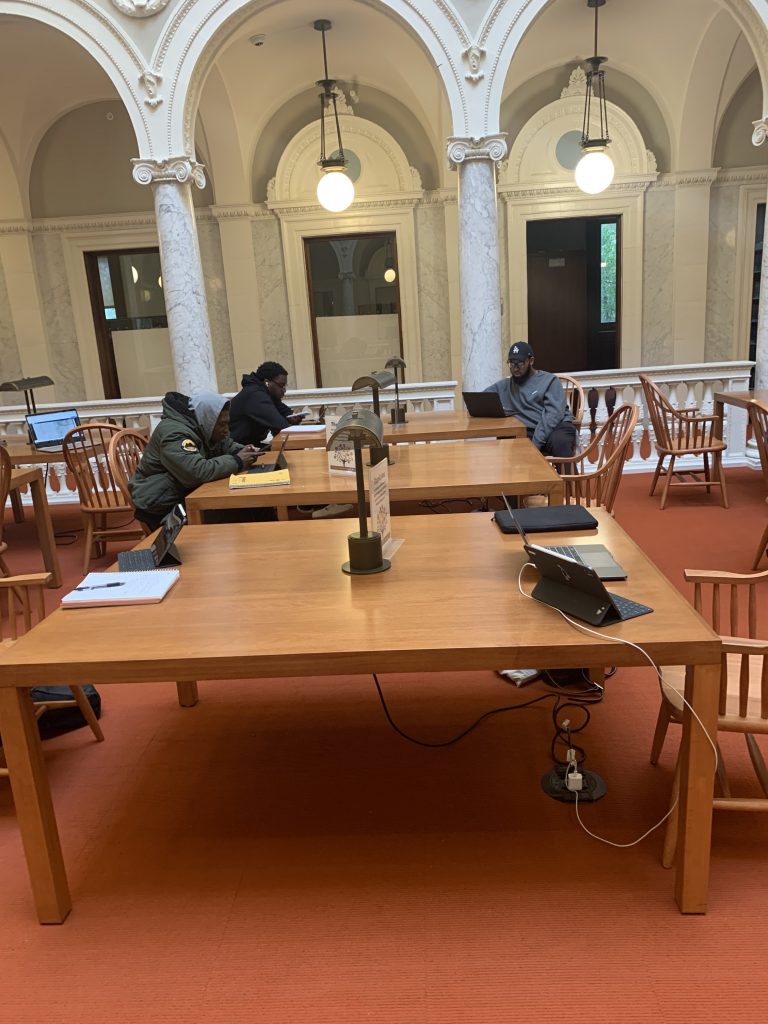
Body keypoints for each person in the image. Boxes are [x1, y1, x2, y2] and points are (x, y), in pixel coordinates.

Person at [129, 390, 261, 531]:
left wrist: (243, 450)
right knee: (239, 512)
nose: (226, 430)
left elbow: (224, 444)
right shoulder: (175, 433)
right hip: (161, 506)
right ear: (208, 420)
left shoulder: (201, 424)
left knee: (246, 508)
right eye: (222, 424)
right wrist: (238, 460)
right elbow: (196, 472)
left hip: (184, 493)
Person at [484, 341, 576, 459]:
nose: (515, 368)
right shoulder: (505, 385)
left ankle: (569, 478)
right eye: (512, 363)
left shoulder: (550, 381)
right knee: (507, 440)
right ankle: (523, 477)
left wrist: (535, 444)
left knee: (560, 441)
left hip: (556, 427)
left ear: (531, 361)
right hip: (527, 431)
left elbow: (553, 415)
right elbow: (481, 400)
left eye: (520, 363)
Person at [229, 361, 306, 446]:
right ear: (267, 382)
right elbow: (280, 426)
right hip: (237, 449)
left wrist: (292, 416)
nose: (284, 390)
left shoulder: (266, 393)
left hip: (249, 445)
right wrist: (288, 421)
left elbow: (283, 410)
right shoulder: (255, 395)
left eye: (285, 386)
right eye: (281, 385)